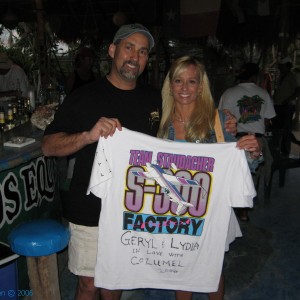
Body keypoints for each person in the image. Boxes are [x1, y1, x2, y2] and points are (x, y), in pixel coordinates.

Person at [43, 24, 238, 300]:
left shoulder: (155, 100)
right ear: (112, 50)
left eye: (143, 51)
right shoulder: (84, 96)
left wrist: (221, 119)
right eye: (128, 47)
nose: (135, 56)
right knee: (89, 284)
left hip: (134, 212)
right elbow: (48, 146)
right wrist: (88, 136)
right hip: (90, 209)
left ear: (148, 59)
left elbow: (186, 111)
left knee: (114, 285)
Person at [157, 56, 262, 300]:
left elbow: (240, 163)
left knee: (211, 272)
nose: (184, 88)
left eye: (192, 81)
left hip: (212, 209)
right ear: (170, 85)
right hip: (175, 209)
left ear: (201, 86)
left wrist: (253, 152)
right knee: (181, 270)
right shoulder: (160, 122)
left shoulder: (219, 121)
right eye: (178, 81)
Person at [218, 62, 276, 221]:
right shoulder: (263, 94)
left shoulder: (228, 93)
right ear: (254, 76)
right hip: (256, 139)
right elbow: (268, 120)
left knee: (231, 174)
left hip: (234, 139)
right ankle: (245, 209)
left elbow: (222, 118)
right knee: (257, 169)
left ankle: (230, 207)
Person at [273, 57, 300, 156]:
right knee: (278, 128)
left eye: (282, 65)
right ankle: (278, 149)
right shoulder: (281, 76)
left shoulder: (292, 77)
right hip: (278, 106)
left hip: (287, 106)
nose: (280, 67)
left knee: (286, 129)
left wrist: (288, 99)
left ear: (287, 66)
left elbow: (298, 90)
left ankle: (285, 151)